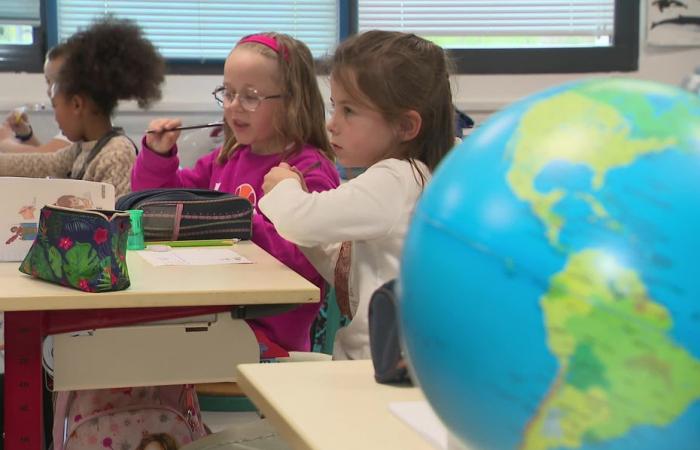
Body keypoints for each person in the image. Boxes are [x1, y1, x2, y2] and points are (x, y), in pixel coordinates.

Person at [132, 32, 340, 352]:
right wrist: (157, 157)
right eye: (227, 93)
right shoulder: (227, 158)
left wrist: (234, 221)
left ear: (292, 101)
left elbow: (309, 263)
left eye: (251, 96)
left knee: (141, 350)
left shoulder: (309, 170)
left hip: (267, 335)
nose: (234, 107)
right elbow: (158, 205)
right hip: (215, 313)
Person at [259, 30, 456, 360]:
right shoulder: (436, 170)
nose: (332, 124)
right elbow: (346, 271)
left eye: (349, 111)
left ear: (406, 126)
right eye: (335, 107)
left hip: (373, 369)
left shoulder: (396, 179)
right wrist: (308, 214)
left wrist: (284, 187)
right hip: (413, 366)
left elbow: (297, 221)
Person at [0, 17, 165, 198]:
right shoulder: (83, 148)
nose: (55, 117)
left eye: (55, 106)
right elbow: (41, 163)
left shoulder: (117, 154)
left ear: (77, 105)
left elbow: (115, 221)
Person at [0, 43, 72, 154]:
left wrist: (4, 141)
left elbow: (47, 160)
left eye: (56, 82)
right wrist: (26, 135)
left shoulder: (78, 126)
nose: (49, 91)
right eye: (48, 82)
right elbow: (48, 159)